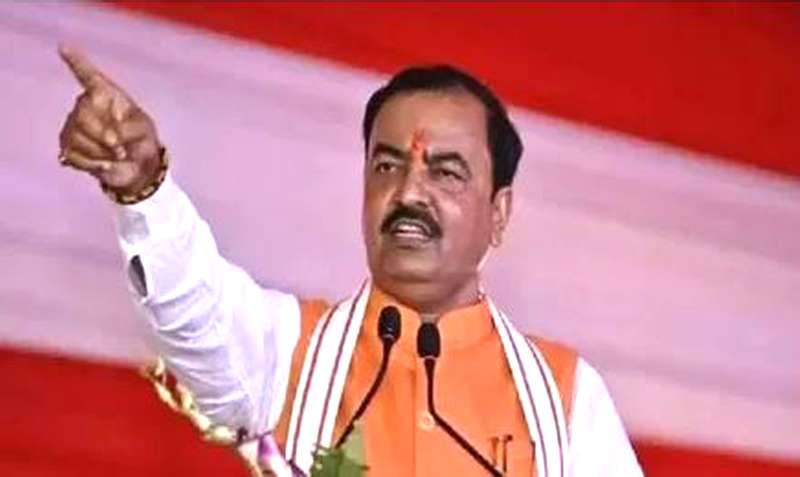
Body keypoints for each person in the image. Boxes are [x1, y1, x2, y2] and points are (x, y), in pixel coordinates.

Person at [57, 45, 643, 477]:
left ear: (499, 212)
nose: (409, 193)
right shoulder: (288, 351)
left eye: (446, 173)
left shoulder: (565, 397)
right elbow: (192, 312)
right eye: (388, 166)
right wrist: (143, 189)